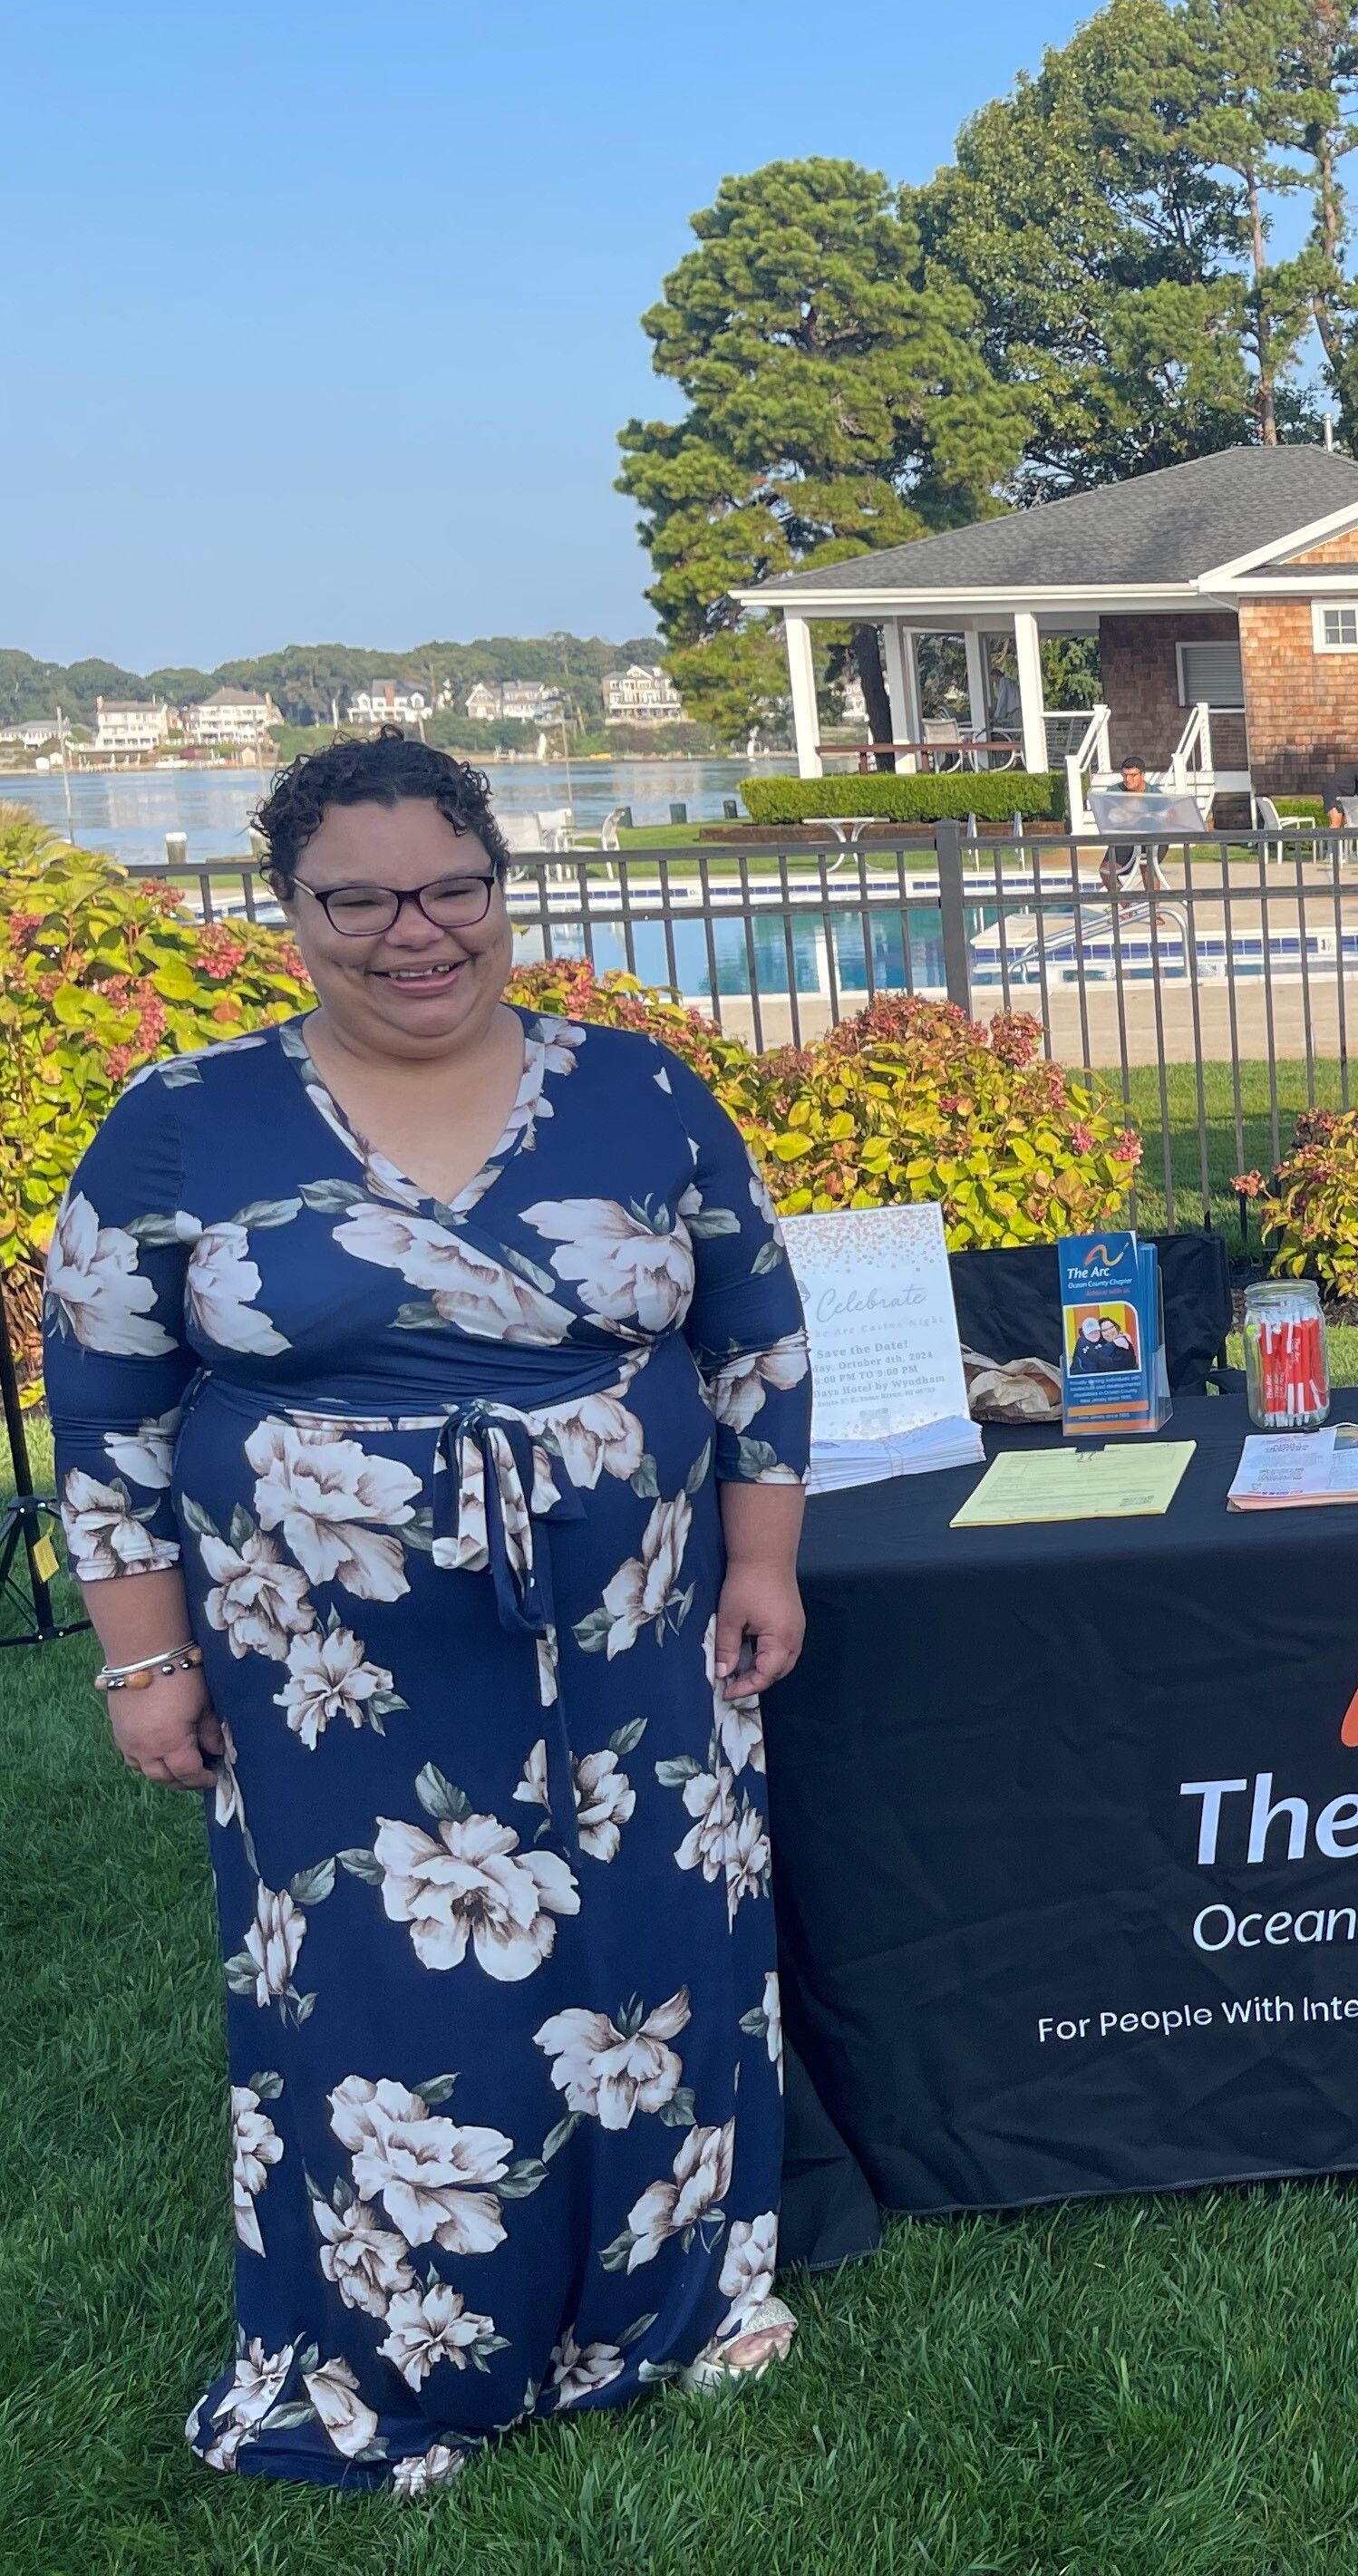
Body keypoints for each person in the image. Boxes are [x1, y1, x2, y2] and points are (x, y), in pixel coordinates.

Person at [45, 734, 817, 2489]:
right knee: (388, 2004)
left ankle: (672, 2301)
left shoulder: (640, 1089)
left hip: (636, 1639)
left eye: (453, 887)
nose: (417, 931)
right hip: (334, 1682)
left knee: (653, 1967)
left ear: (500, 887)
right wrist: (145, 1660)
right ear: (291, 911)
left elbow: (756, 1340)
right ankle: (403, 2346)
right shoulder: (181, 1124)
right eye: (362, 897)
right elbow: (102, 1407)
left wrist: (762, 1558)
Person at [1098, 759, 1168, 894]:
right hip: (1125, 838)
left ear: (1142, 775)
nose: (1128, 779)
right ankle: (1126, 908)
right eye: (1125, 775)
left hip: (1152, 838)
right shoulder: (1113, 792)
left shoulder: (1155, 795)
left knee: (1148, 867)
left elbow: (1164, 821)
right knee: (1106, 871)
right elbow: (1109, 817)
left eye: (1133, 775)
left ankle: (1156, 912)